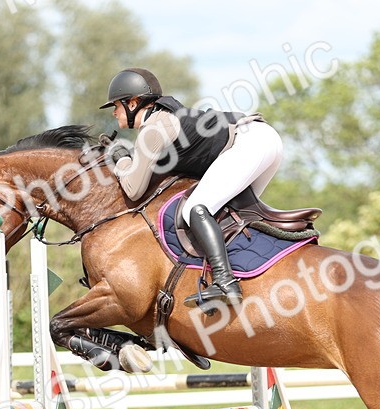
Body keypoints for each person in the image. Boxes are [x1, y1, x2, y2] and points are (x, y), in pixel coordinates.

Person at [99, 67, 284, 307]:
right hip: (263, 139)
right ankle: (253, 276)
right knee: (228, 216)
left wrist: (121, 158)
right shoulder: (163, 118)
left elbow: (133, 189)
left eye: (116, 105)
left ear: (133, 103)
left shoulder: (153, 129)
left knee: (195, 208)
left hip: (251, 143)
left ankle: (225, 282)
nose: (114, 112)